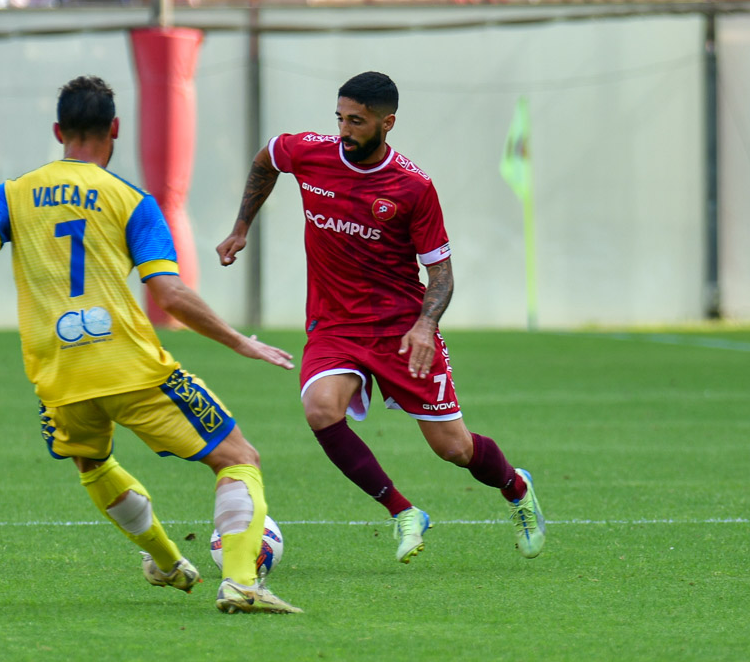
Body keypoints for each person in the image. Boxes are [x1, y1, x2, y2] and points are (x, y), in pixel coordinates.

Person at [0, 76, 301, 614]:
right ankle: (242, 581)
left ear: (58, 130)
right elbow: (168, 293)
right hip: (132, 369)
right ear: (116, 130)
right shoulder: (132, 200)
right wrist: (238, 341)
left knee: (93, 465)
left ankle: (169, 563)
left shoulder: (13, 192)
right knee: (238, 458)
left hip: (60, 376)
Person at [216, 71, 546, 563]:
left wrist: (424, 325)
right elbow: (267, 159)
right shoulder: (310, 152)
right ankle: (403, 511)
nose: (345, 131)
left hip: (399, 327)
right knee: (320, 410)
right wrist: (241, 226)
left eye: (358, 121)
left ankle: (516, 487)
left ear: (387, 123)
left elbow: (441, 276)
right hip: (334, 324)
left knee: (453, 448)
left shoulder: (412, 188)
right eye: (341, 119)